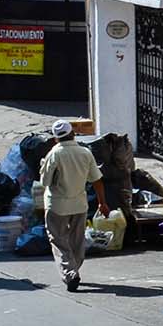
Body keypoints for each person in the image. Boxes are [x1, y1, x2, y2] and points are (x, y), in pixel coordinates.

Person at [36, 119, 106, 291]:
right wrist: (102, 202)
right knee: (77, 240)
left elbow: (45, 182)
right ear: (73, 134)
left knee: (58, 240)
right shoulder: (85, 153)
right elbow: (97, 180)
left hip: (57, 205)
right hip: (79, 204)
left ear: (56, 138)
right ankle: (73, 268)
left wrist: (43, 166)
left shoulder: (54, 154)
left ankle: (70, 272)